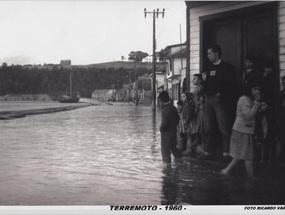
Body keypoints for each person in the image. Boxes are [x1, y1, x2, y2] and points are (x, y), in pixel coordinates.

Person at [201, 44, 236, 161]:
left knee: (224, 127)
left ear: (216, 53)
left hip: (219, 100)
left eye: (210, 53)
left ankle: (227, 153)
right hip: (208, 99)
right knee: (209, 127)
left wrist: (220, 94)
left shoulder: (227, 67)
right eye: (207, 54)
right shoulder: (207, 68)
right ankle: (209, 152)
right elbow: (204, 82)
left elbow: (231, 84)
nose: (208, 56)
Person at [220, 83, 261, 178]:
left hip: (246, 130)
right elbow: (248, 115)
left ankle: (227, 171)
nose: (257, 91)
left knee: (242, 154)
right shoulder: (244, 99)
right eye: (255, 89)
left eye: (258, 89)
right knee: (247, 155)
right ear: (249, 89)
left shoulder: (250, 99)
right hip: (242, 130)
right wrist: (256, 104)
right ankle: (250, 177)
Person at [158, 91, 182, 164]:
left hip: (166, 134)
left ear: (161, 100)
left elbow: (164, 123)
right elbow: (178, 119)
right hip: (173, 132)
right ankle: (180, 164)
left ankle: (167, 171)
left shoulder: (165, 109)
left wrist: (161, 129)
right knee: (174, 149)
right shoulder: (173, 108)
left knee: (165, 152)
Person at [276, 76, 285, 165]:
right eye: (283, 83)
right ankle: (278, 160)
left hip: (281, 119)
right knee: (280, 140)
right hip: (281, 120)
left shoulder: (281, 93)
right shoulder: (280, 94)